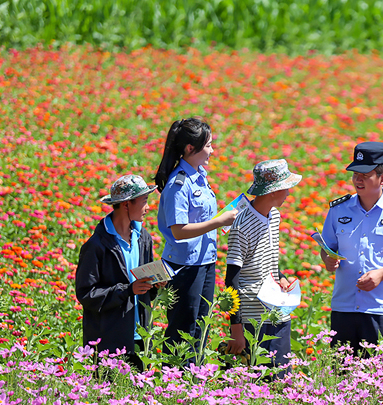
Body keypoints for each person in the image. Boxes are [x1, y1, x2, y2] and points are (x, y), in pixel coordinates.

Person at [319, 142, 383, 355]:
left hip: (380, 309)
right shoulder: (338, 210)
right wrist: (328, 259)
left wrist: (382, 274)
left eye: (365, 175)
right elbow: (327, 247)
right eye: (355, 174)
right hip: (344, 306)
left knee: (378, 371)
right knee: (340, 370)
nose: (358, 180)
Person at [154, 118, 237, 361]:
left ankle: (195, 375)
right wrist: (219, 222)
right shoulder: (178, 183)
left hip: (205, 261)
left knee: (202, 326)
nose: (212, 150)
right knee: (183, 329)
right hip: (184, 265)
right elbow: (179, 231)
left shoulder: (199, 176)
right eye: (208, 145)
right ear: (191, 148)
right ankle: (175, 376)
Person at [76, 175, 161, 370]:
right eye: (144, 201)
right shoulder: (96, 246)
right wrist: (127, 290)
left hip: (141, 338)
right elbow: (86, 294)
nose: (148, 207)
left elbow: (144, 290)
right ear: (126, 205)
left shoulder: (144, 238)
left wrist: (155, 284)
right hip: (108, 341)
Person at [224, 159, 302, 375]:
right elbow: (231, 279)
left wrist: (281, 277)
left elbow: (269, 259)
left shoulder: (274, 216)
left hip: (276, 308)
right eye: (286, 187)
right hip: (252, 315)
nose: (289, 193)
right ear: (273, 191)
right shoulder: (241, 225)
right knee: (258, 379)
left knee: (282, 374)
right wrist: (236, 329)